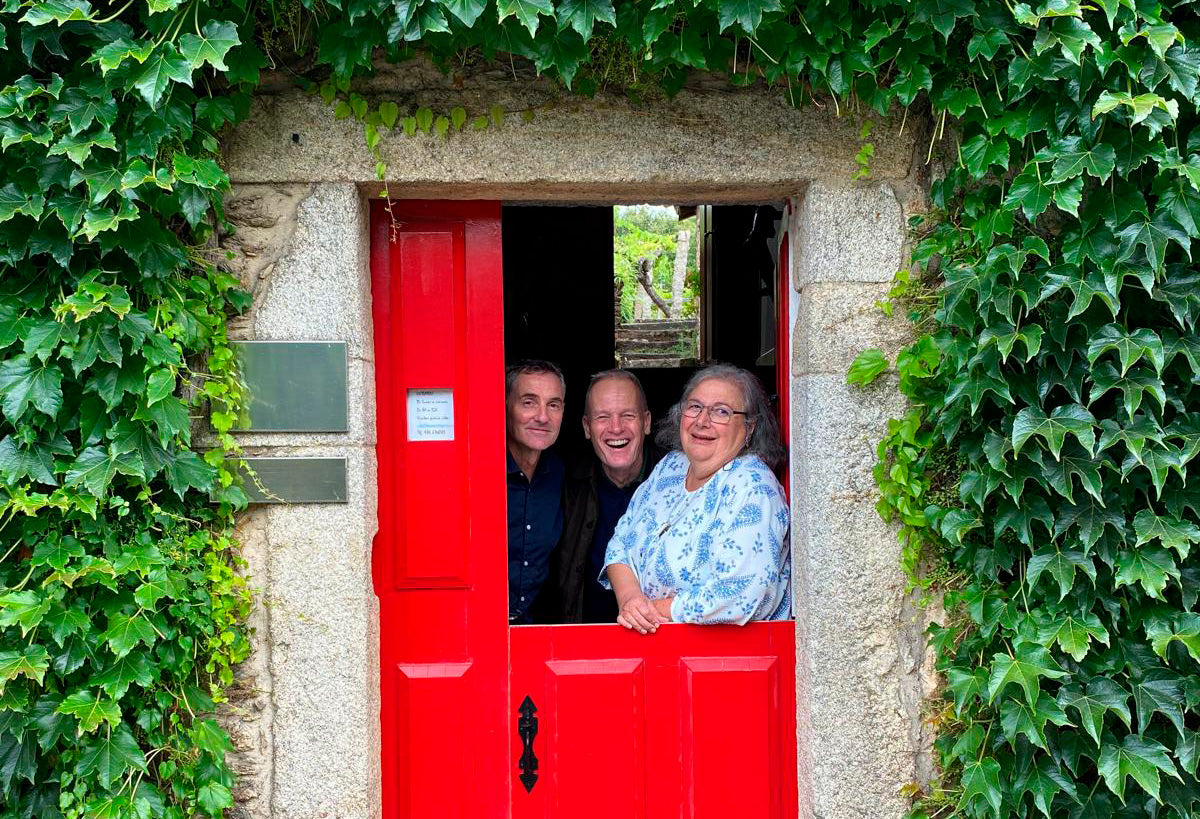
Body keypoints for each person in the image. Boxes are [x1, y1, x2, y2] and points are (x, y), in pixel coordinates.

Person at [600, 364, 790, 631]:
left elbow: (740, 593)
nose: (702, 421)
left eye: (721, 412)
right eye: (694, 407)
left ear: (749, 427)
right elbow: (620, 543)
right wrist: (630, 600)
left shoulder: (753, 485)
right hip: (651, 647)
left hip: (725, 661)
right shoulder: (671, 467)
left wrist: (653, 611)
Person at [544, 370, 662, 623]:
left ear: (647, 422)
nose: (616, 428)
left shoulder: (678, 481)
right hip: (581, 639)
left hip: (659, 636)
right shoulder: (562, 481)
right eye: (602, 417)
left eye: (627, 415)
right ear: (587, 427)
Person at [505, 360, 566, 624]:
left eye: (553, 404)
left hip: (535, 630)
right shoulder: (477, 474)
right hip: (476, 632)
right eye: (529, 402)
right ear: (506, 406)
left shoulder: (562, 473)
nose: (542, 416)